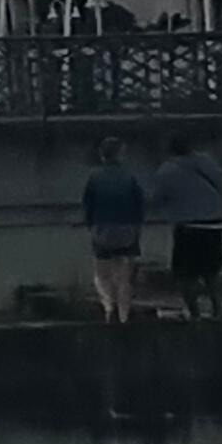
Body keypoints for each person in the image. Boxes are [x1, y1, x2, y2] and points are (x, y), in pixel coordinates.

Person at [147, 130, 222, 319]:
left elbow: (156, 199)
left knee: (185, 273)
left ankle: (194, 312)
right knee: (212, 270)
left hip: (188, 227)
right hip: (214, 223)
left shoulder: (167, 170)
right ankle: (217, 309)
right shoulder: (207, 162)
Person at [80, 136, 147, 323]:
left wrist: (91, 226)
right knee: (124, 277)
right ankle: (124, 313)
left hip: (102, 228)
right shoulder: (130, 177)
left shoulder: (94, 177)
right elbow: (139, 206)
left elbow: (88, 205)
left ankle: (109, 306)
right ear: (120, 154)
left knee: (102, 273)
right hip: (127, 229)